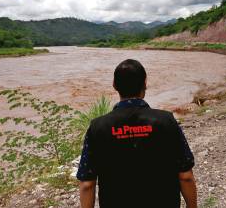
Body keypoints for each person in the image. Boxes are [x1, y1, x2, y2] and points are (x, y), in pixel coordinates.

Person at [77, 59, 197, 208]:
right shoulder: (167, 121)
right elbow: (185, 176)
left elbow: (87, 183)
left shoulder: (97, 127)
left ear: (114, 85)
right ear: (145, 83)